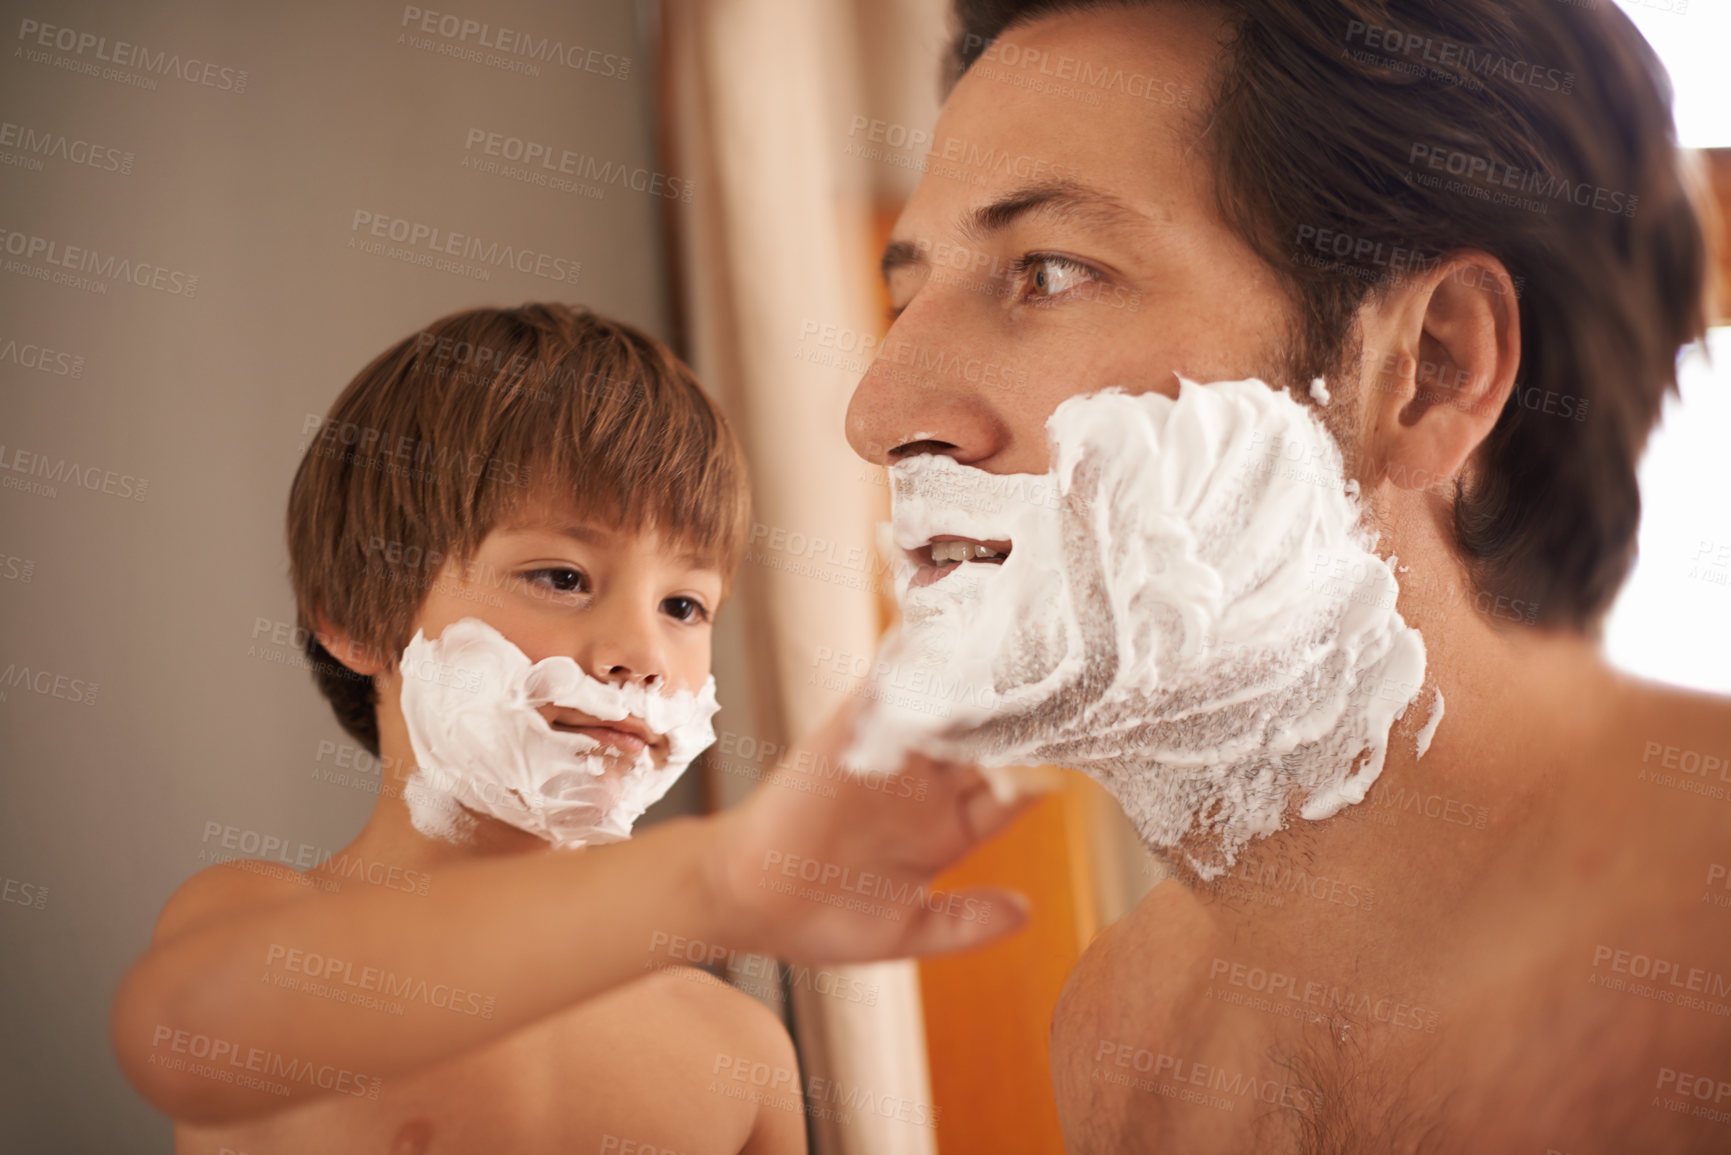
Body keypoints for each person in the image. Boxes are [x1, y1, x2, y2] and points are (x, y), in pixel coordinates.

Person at [844, 1, 1729, 1150]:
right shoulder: (1126, 1035)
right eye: (910, 293)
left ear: (1429, 371)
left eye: (1049, 271)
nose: (878, 414)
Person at [108, 304, 1045, 1154]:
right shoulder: (265, 923)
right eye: (561, 577)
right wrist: (713, 877)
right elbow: (185, 1031)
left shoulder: (735, 1052)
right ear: (357, 616)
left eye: (684, 603)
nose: (640, 651)